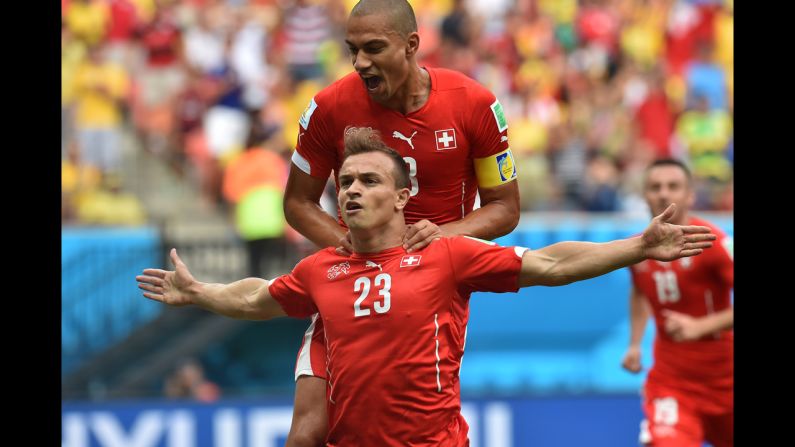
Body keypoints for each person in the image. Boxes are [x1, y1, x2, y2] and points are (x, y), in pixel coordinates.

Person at [138, 128, 716, 446]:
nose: (352, 191)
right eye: (345, 183)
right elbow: (258, 297)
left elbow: (550, 264)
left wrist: (636, 247)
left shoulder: (445, 256)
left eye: (369, 181)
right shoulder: (322, 269)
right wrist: (200, 293)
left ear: (403, 196)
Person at [282, 1, 521, 444]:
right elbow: (298, 203)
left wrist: (442, 235)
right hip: (352, 279)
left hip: (431, 284)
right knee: (306, 432)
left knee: (415, 424)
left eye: (373, 48)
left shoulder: (475, 105)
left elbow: (505, 208)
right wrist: (350, 245)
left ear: (412, 45)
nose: (360, 63)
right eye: (352, 50)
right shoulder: (329, 107)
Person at [621, 159, 733, 447]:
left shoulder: (714, 242)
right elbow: (639, 291)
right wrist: (635, 343)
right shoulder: (637, 249)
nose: (663, 193)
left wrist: (702, 325)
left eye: (673, 186)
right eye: (655, 187)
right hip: (672, 383)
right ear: (644, 195)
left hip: (725, 380)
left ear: (690, 195)